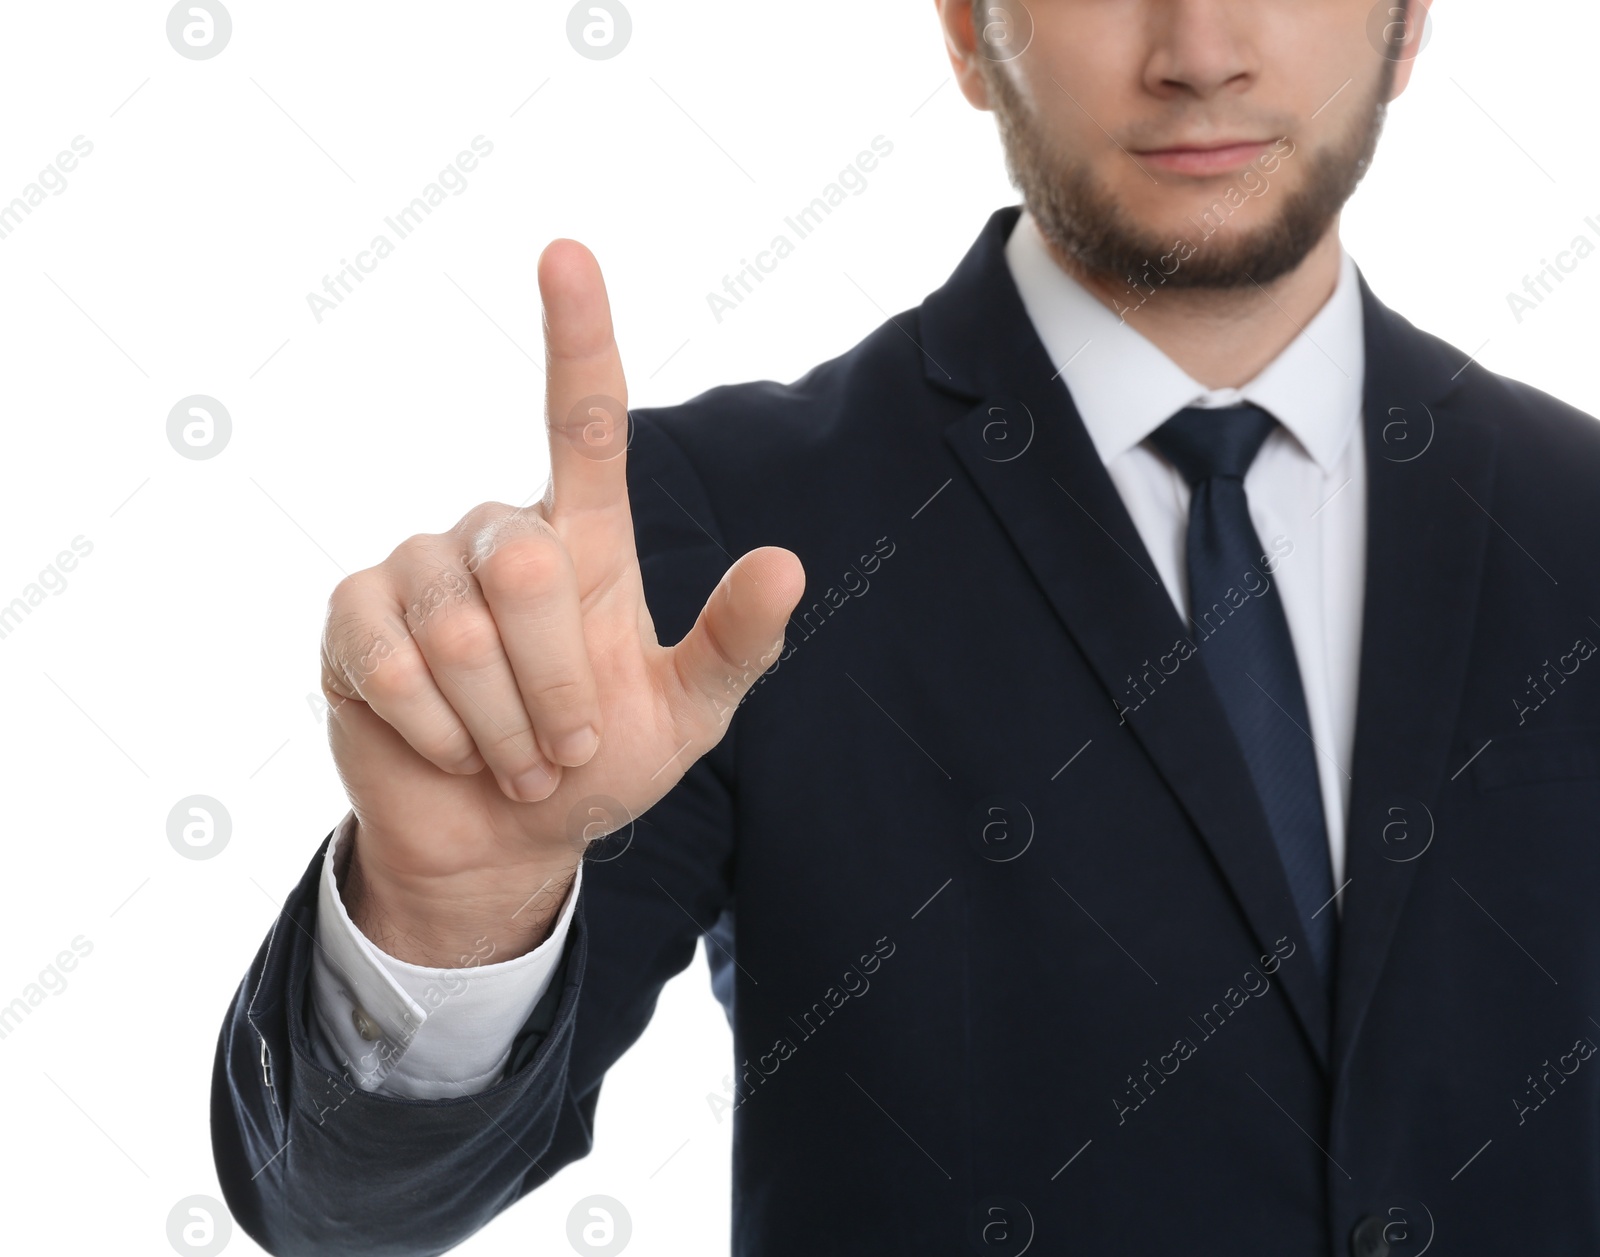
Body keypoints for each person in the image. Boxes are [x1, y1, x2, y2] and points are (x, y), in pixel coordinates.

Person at [212, 1, 1600, 1252]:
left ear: (1409, 24)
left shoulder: (1577, 514)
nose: (1199, 51)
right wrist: (456, 912)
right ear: (964, 33)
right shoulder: (728, 524)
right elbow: (342, 1196)